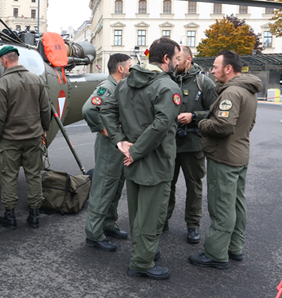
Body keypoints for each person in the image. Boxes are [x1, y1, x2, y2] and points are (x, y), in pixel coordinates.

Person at [101, 37, 182, 280]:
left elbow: (105, 109)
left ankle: (143, 251)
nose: (178, 62)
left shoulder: (126, 83)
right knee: (152, 214)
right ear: (166, 59)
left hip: (132, 160)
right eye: (177, 58)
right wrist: (134, 151)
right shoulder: (167, 87)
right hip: (154, 160)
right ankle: (142, 262)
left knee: (138, 212)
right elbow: (160, 126)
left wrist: (120, 141)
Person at [189, 50, 262, 269]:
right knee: (237, 202)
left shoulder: (231, 93)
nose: (212, 70)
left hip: (224, 156)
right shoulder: (249, 91)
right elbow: (249, 124)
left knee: (221, 205)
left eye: (215, 66)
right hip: (240, 154)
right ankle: (234, 247)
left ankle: (215, 253)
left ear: (228, 68)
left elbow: (223, 125)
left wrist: (200, 124)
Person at [0, 45, 50, 230]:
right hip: (33, 137)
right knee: (33, 175)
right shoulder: (36, 79)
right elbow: (45, 109)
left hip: (10, 139)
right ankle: (34, 215)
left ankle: (10, 216)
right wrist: (44, 129)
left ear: (4, 60)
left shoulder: (3, 83)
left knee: (9, 176)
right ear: (17, 58)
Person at [165, 46, 217, 244]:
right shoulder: (168, 79)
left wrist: (194, 116)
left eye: (178, 58)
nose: (174, 62)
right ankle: (164, 219)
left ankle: (193, 225)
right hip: (170, 142)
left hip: (193, 143)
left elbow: (214, 111)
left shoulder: (204, 82)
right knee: (167, 185)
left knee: (193, 186)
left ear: (188, 60)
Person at [83, 53, 132, 252]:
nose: (132, 68)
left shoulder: (119, 87)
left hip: (118, 146)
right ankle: (94, 234)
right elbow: (88, 109)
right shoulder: (107, 87)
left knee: (115, 186)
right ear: (121, 69)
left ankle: (108, 225)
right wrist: (103, 130)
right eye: (130, 65)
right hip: (108, 147)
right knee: (103, 188)